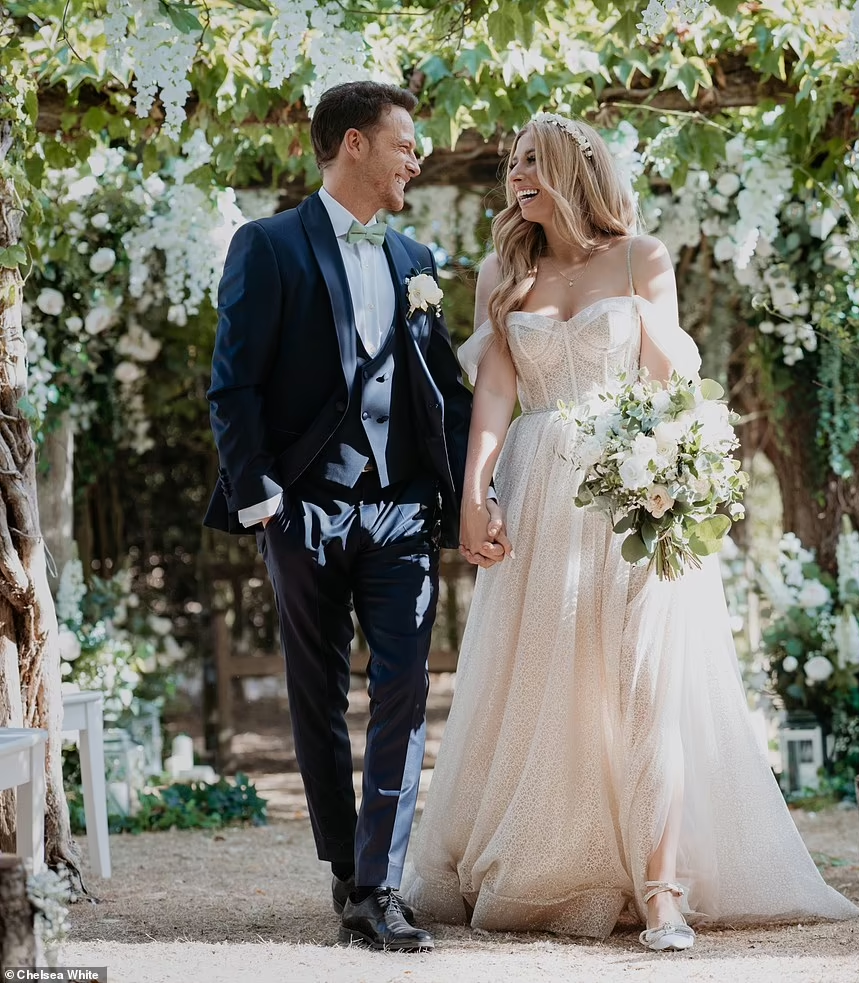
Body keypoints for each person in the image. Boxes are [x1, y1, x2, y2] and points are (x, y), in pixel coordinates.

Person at [403, 113, 859, 950]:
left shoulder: (642, 258)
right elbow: (495, 393)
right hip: (539, 493)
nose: (516, 176)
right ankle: (567, 863)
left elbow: (671, 381)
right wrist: (473, 494)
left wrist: (676, 461)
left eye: (532, 161)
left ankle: (662, 891)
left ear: (575, 168)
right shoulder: (504, 270)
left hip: (634, 485)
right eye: (513, 164)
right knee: (548, 682)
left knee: (648, 680)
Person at [204, 80, 505, 953]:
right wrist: (265, 501)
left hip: (403, 508)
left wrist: (473, 492)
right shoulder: (267, 245)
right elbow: (234, 385)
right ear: (354, 145)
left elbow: (442, 388)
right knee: (318, 694)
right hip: (302, 508)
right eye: (405, 142)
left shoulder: (415, 257)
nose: (417, 157)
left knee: (405, 689)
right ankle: (347, 867)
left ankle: (379, 886)